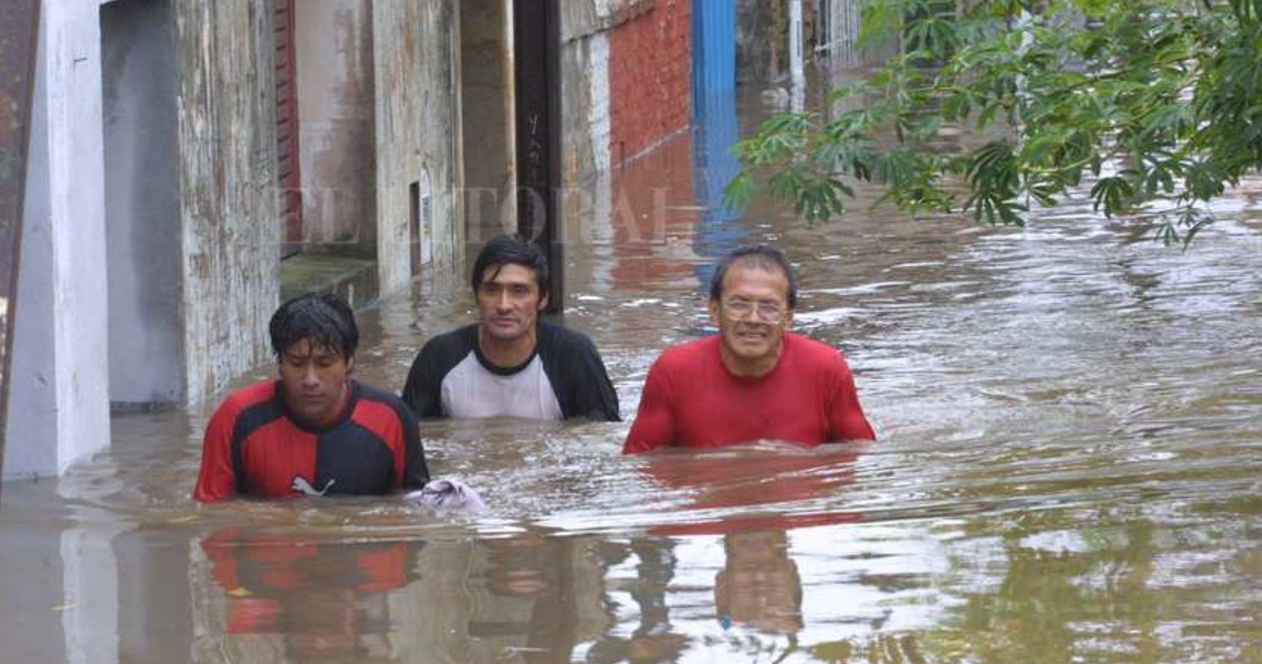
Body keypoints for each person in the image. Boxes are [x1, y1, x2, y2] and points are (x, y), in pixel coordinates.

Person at [623, 244, 874, 453]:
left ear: (788, 318)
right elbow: (640, 467)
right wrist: (719, 461)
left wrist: (805, 458)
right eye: (739, 304)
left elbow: (862, 456)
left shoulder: (826, 368)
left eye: (769, 307)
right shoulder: (673, 372)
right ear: (714, 311)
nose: (753, 318)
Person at [193, 292, 429, 500]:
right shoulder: (237, 418)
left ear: (349, 363)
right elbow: (212, 514)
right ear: (280, 364)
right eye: (297, 363)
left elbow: (416, 510)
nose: (310, 380)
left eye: (325, 363)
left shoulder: (392, 418)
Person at [401, 233, 620, 421]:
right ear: (476, 296)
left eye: (519, 291)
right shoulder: (439, 358)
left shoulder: (574, 356)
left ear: (542, 299)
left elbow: (602, 440)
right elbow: (410, 443)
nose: (503, 305)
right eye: (491, 290)